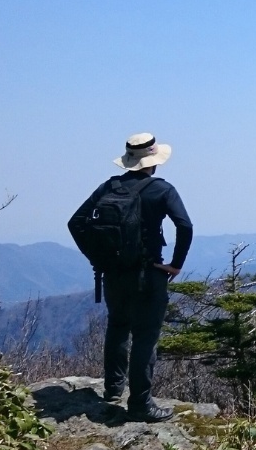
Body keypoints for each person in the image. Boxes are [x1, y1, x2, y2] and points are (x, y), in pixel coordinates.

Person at [68, 133, 193, 422]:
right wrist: (175, 265)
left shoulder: (109, 186)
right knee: (146, 338)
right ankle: (140, 404)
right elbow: (184, 226)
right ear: (154, 161)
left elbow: (76, 223)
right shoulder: (162, 189)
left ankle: (113, 389)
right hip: (148, 274)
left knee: (118, 327)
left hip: (112, 274)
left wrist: (97, 258)